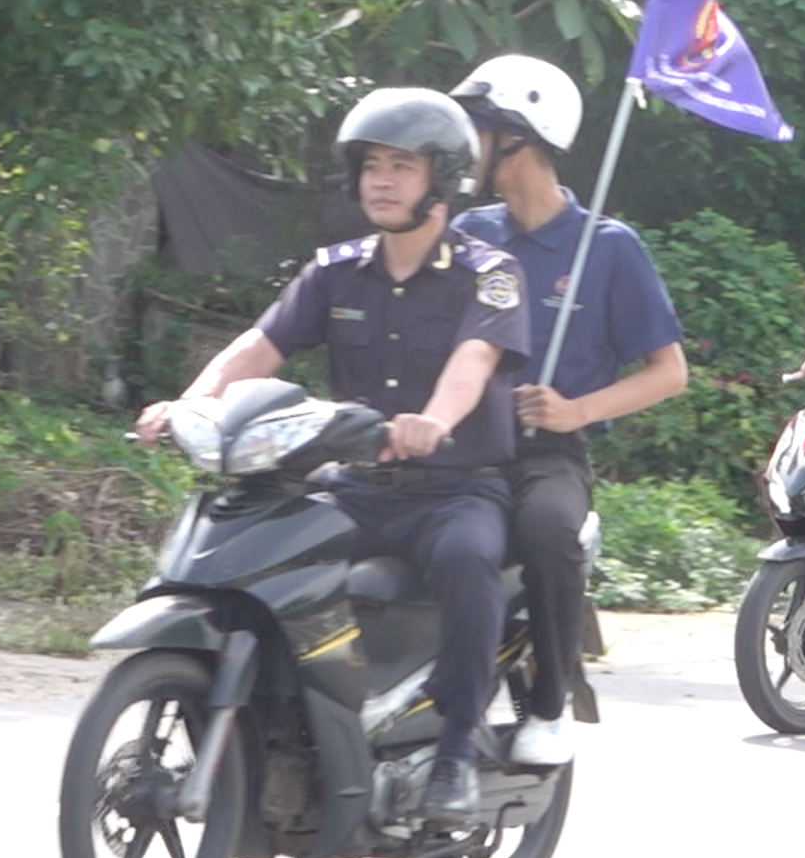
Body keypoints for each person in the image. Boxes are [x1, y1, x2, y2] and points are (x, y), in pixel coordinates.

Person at [134, 88, 528, 821]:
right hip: (355, 486)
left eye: (401, 166)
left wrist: (433, 422)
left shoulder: (491, 271)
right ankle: (298, 718)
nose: (380, 180)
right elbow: (258, 346)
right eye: (371, 165)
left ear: (441, 178)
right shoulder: (336, 268)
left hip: (454, 490)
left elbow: (473, 361)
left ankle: (454, 757)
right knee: (266, 550)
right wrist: (187, 402)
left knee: (471, 563)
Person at [450, 55, 688, 767]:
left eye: (483, 129)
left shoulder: (609, 249)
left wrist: (574, 410)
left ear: (522, 138)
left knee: (547, 528)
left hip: (548, 453)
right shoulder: (470, 233)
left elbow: (668, 373)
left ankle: (550, 703)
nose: (470, 145)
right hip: (461, 446)